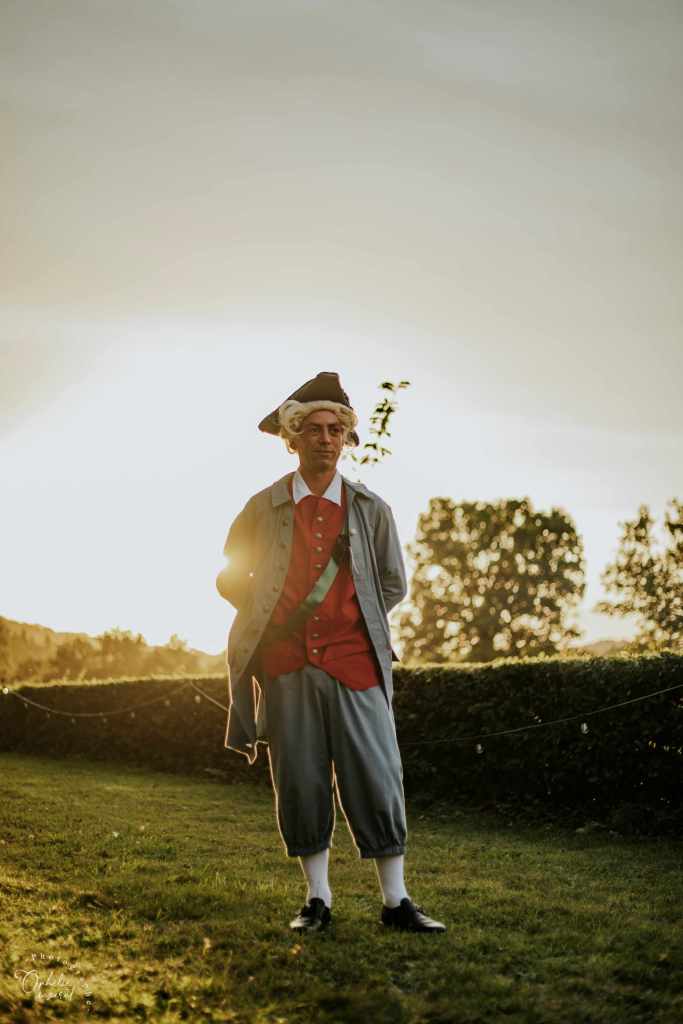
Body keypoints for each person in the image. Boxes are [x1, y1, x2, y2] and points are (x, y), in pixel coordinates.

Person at [216, 371, 445, 935]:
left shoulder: (371, 508)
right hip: (286, 666)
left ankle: (396, 901)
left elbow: (392, 583)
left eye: (335, 429)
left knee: (377, 776)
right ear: (292, 438)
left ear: (346, 438)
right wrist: (268, 617)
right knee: (300, 781)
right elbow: (229, 577)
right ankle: (316, 899)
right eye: (314, 429)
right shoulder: (262, 507)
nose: (325, 438)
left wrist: (350, 617)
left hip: (356, 663)